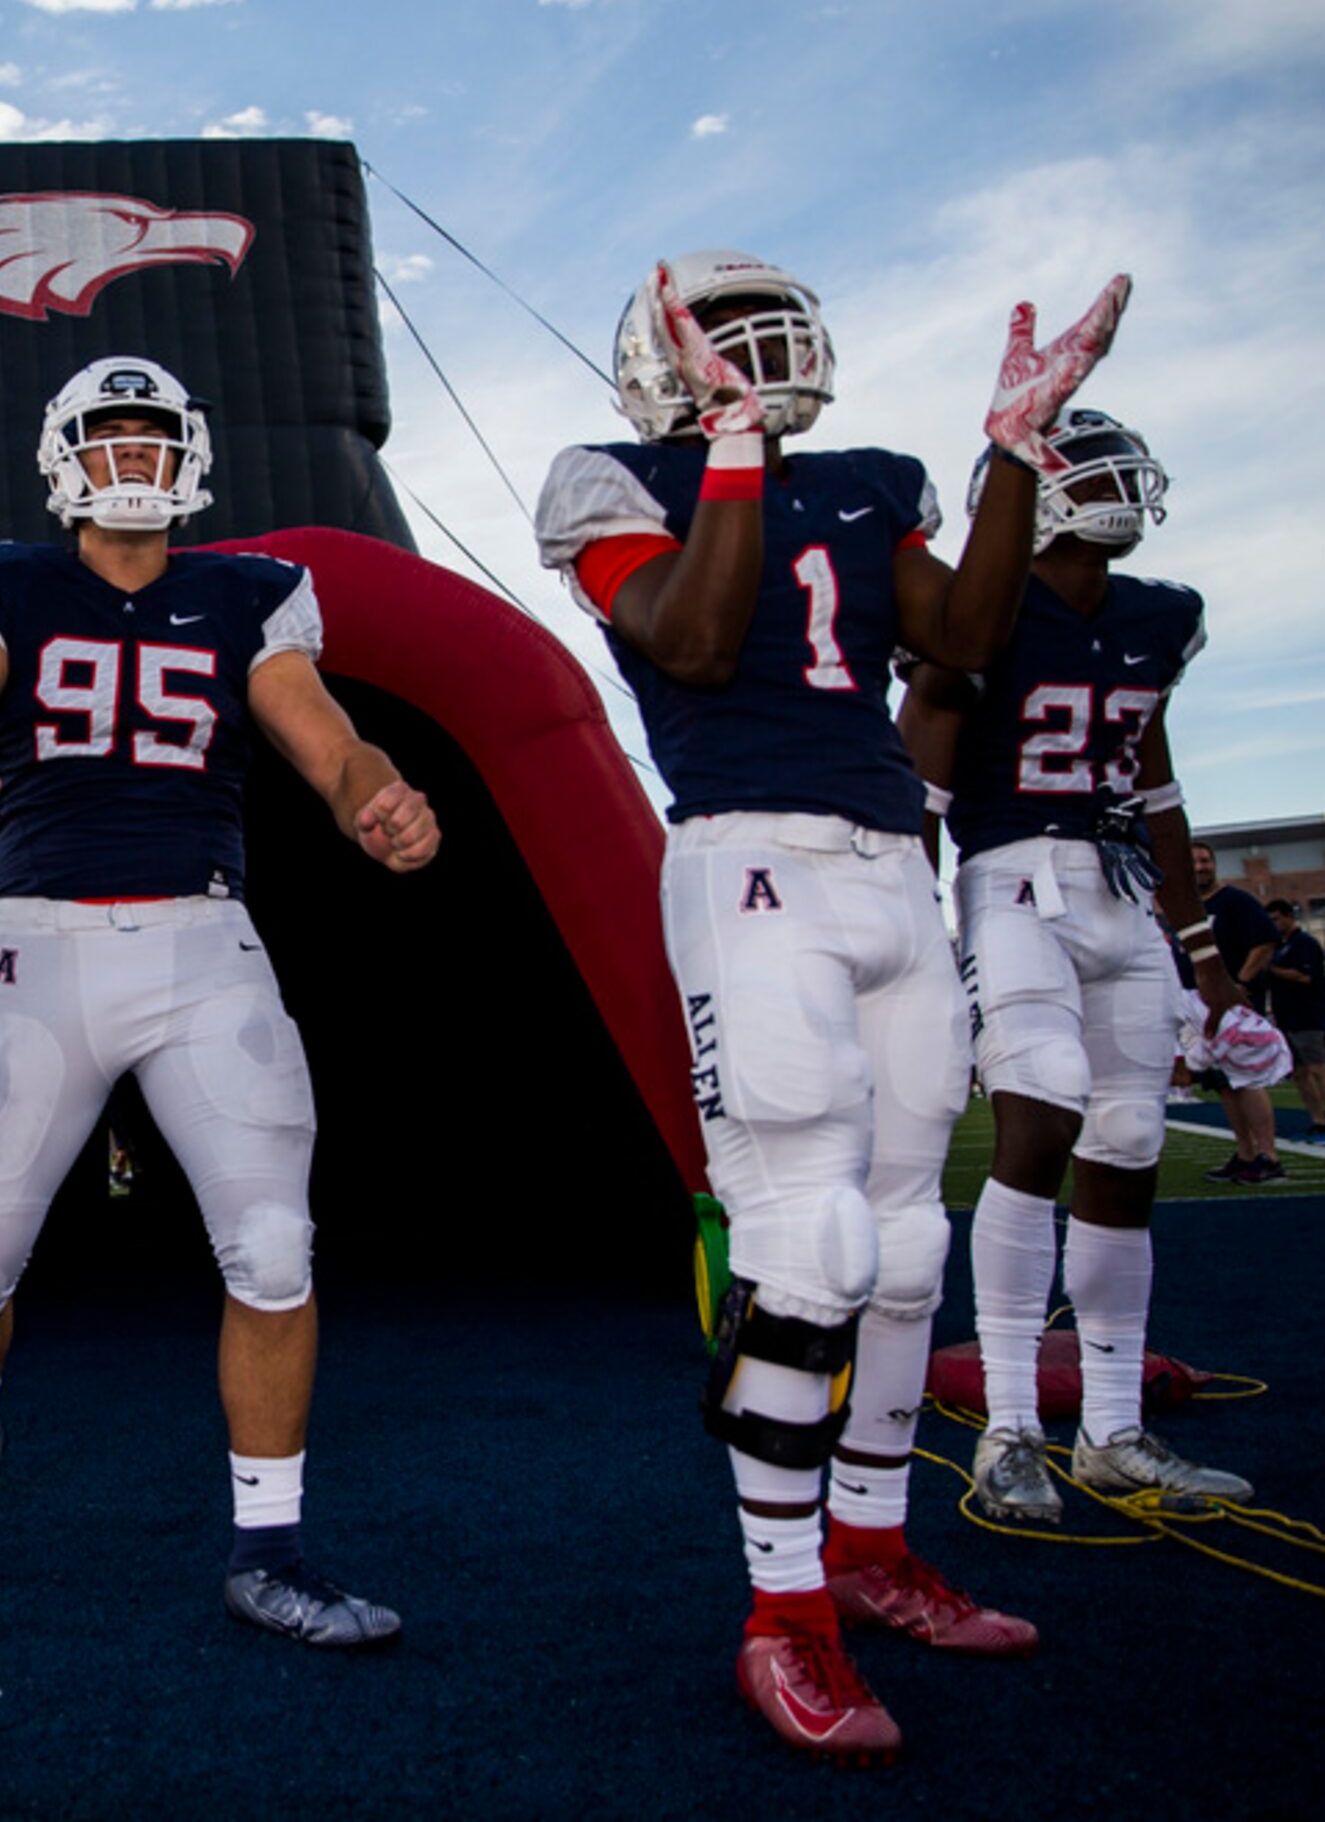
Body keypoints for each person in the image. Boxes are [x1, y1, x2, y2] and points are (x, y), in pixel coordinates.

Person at [536, 249, 1128, 1762]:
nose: (758, 350)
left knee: (908, 1240)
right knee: (809, 1238)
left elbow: (970, 641)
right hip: (750, 864)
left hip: (888, 864)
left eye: (765, 330)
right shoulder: (610, 476)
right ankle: (781, 1611)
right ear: (663, 361)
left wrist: (1011, 458)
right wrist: (730, 452)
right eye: (721, 336)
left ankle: (872, 1550)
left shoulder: (870, 477)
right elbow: (694, 638)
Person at [0, 356, 439, 1650]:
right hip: (39, 948)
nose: (133, 462)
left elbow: (328, 737)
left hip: (202, 941)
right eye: (109, 439)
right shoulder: (3, 583)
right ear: (66, 455)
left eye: (152, 438)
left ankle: (269, 1550)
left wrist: (380, 799)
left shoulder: (250, 594)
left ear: (190, 454)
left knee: (277, 1250)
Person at [896, 408, 1252, 1526]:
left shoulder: (1159, 618)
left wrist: (1205, 953)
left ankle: (1110, 1432)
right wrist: (916, 961)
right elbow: (924, 809)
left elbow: (1158, 791)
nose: (1115, 484)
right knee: (1041, 1108)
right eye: (1089, 467)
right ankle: (1010, 1428)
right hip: (1011, 883)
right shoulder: (978, 623)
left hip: (1123, 895)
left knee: (1132, 1139)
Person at [1191, 843, 1282, 1181]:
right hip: (1200, 1006)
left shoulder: (1236, 900)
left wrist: (1239, 982)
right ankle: (1246, 1152)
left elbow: (1265, 942)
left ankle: (1268, 1155)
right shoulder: (1187, 908)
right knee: (1223, 1083)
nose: (1200, 866)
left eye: (1205, 860)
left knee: (1246, 1078)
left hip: (1234, 1007)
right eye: (1194, 861)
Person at [1264, 900, 1325, 1142]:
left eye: (1276, 919)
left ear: (1290, 916)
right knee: (1300, 1073)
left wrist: (1273, 969)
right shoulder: (1280, 946)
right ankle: (1318, 1120)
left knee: (1317, 1066)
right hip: (1286, 1014)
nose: (1274, 924)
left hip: (1306, 1013)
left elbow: (1306, 977)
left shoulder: (1305, 944)